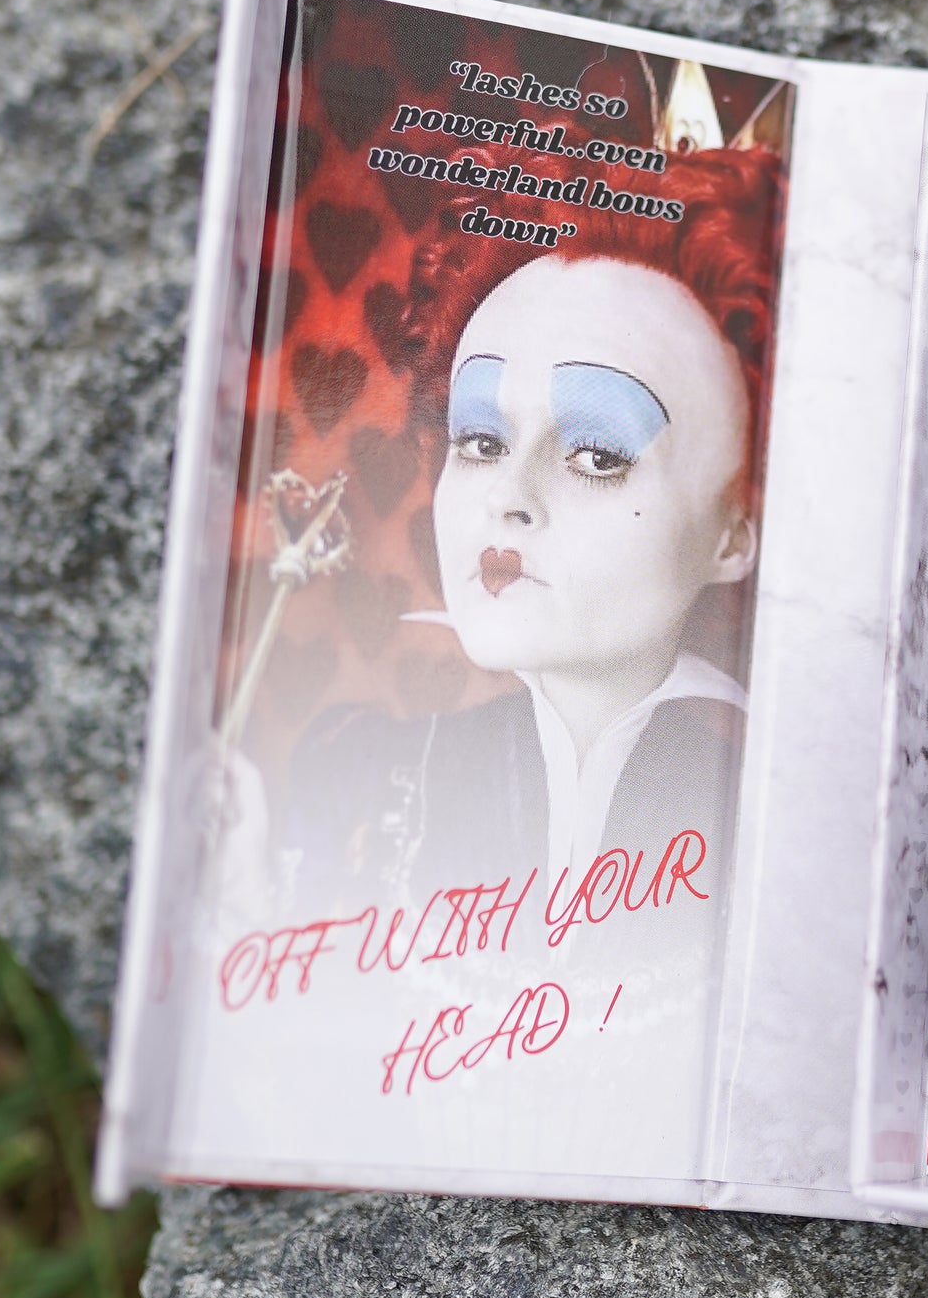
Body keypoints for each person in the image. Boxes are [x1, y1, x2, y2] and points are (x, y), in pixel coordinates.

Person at [281, 143, 783, 917]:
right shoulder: (357, 778)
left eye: (597, 455)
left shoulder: (780, 823)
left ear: (734, 534)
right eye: (481, 441)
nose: (507, 497)